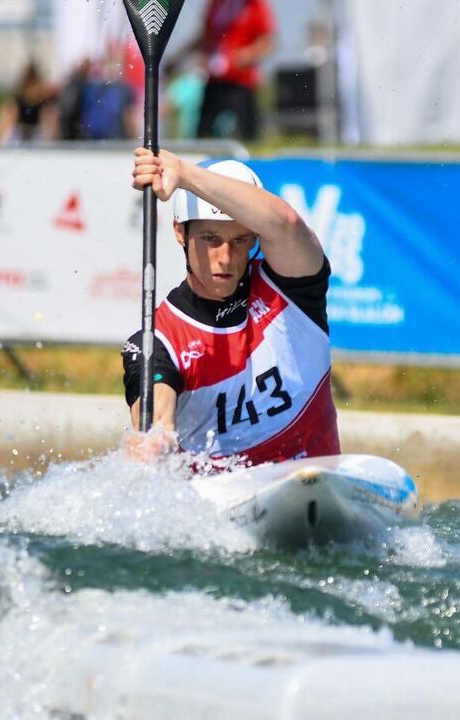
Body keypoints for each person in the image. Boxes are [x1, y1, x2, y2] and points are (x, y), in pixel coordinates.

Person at [121, 147, 340, 466]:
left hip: (316, 482)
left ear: (254, 238)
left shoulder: (291, 289)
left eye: (238, 240)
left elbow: (287, 223)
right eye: (210, 239)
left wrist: (184, 174)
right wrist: (154, 440)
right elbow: (156, 418)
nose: (225, 257)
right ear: (180, 232)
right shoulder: (158, 340)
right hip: (223, 506)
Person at [174, 0, 275, 141]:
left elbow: (267, 41)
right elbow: (205, 36)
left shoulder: (254, 5)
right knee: (204, 134)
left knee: (246, 135)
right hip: (214, 81)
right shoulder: (216, 4)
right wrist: (179, 57)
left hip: (241, 82)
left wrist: (244, 56)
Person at [0, 61, 58, 144]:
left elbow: (52, 135)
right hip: (18, 142)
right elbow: (1, 132)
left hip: (37, 142)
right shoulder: (15, 105)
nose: (32, 91)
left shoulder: (46, 106)